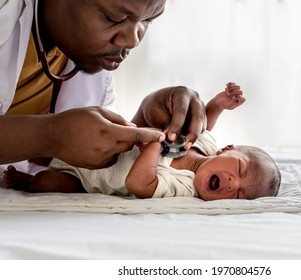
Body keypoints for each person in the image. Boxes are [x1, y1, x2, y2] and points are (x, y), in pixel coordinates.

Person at [0, 0, 206, 184]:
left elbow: (83, 166)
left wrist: (143, 119)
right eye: (113, 18)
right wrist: (51, 135)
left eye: (148, 20)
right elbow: (55, 141)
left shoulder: (89, 59)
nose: (133, 41)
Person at [4, 83, 281, 201]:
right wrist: (218, 104)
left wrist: (154, 145)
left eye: (241, 196)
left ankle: (25, 181)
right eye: (241, 170)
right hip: (104, 147)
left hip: (88, 181)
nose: (234, 184)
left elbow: (138, 183)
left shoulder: (185, 187)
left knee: (47, 183)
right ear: (226, 149)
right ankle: (39, 148)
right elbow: (204, 122)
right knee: (49, 146)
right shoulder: (205, 146)